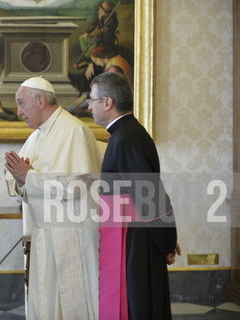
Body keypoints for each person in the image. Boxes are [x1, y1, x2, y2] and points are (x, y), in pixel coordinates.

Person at [5, 76, 103, 319]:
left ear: (40, 100)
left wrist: (28, 177)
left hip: (73, 234)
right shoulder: (36, 136)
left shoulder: (74, 131)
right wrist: (21, 180)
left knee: (75, 300)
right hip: (47, 232)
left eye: (21, 104)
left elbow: (76, 185)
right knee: (48, 299)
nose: (18, 112)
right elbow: (23, 183)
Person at [88, 72, 180, 320]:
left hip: (134, 238)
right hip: (133, 234)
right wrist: (167, 235)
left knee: (136, 304)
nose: (89, 106)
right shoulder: (127, 133)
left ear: (108, 102)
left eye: (92, 99)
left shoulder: (125, 138)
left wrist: (167, 241)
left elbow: (148, 193)